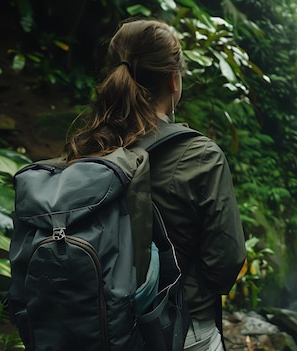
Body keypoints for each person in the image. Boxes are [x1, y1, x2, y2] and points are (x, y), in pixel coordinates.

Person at [61, 19, 247, 351]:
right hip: (181, 331)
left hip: (96, 329)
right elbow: (225, 265)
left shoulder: (82, 148)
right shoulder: (199, 156)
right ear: (174, 81)